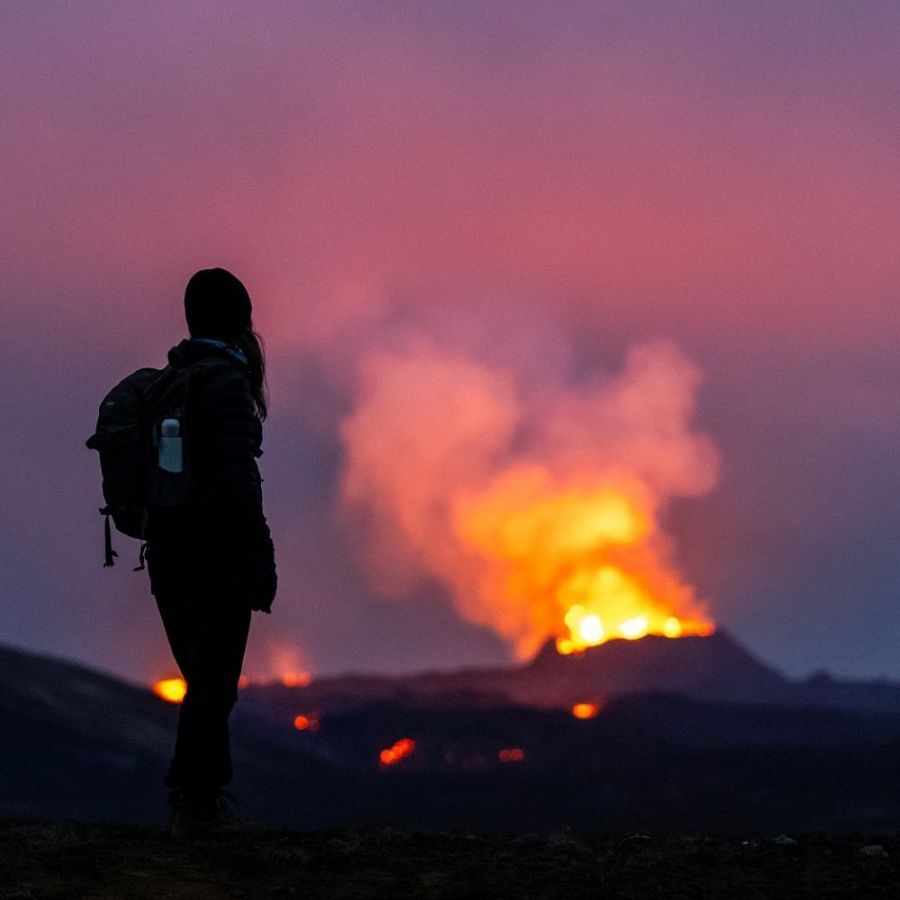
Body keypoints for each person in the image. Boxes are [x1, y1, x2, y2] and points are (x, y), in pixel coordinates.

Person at [145, 268, 277, 837]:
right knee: (214, 682)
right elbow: (237, 483)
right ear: (238, 319)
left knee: (203, 678)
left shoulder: (171, 380)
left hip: (165, 552)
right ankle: (195, 806)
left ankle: (199, 804)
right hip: (213, 557)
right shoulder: (225, 385)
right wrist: (260, 561)